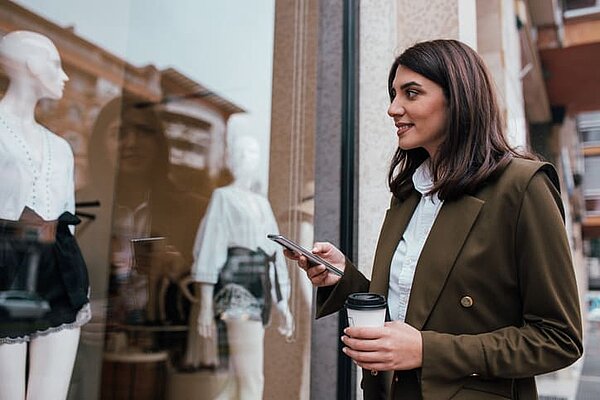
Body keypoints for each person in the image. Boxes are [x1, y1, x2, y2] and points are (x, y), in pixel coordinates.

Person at [286, 39, 583, 400]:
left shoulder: (522, 187)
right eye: (393, 94)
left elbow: (559, 338)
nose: (394, 108)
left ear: (458, 99)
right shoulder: (409, 194)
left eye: (411, 93)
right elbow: (413, 310)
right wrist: (342, 278)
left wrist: (428, 351)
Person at [0, 31, 90, 400]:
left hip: (60, 271)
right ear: (33, 66)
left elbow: (64, 217)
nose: (65, 76)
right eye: (57, 64)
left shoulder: (61, 147)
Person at [191, 134, 293, 400]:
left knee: (236, 382)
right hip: (237, 286)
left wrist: (283, 303)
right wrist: (204, 305)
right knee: (251, 376)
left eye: (256, 153)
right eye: (246, 152)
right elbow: (210, 247)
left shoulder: (262, 203)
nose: (252, 158)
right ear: (234, 159)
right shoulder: (224, 197)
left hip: (260, 285)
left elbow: (275, 252)